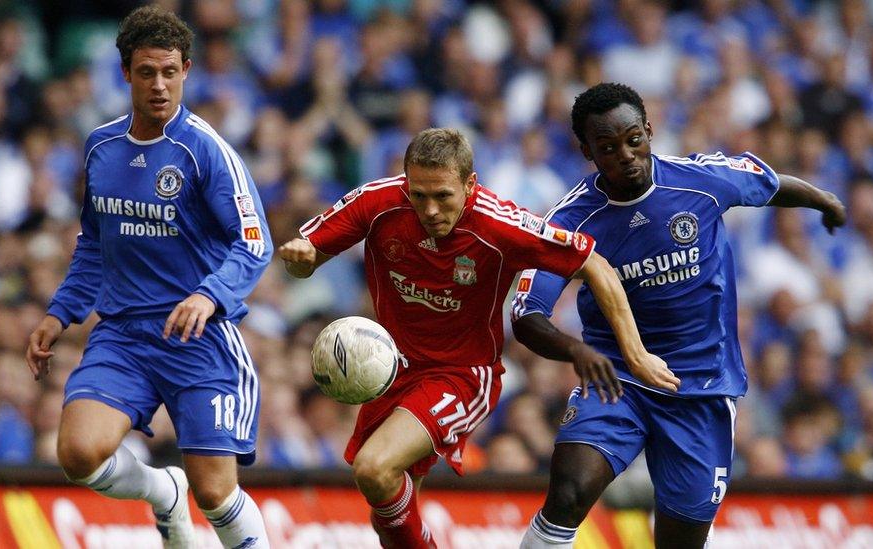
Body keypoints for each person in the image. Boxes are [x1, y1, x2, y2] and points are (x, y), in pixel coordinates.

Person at [278, 127, 678, 548]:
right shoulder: (377, 202)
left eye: (443, 197)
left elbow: (594, 264)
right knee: (387, 507)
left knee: (374, 468)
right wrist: (302, 259)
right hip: (389, 370)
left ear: (470, 184)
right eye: (418, 195)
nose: (429, 210)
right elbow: (305, 257)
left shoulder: (499, 223)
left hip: (461, 375)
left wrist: (636, 355)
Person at [513, 82, 847, 548]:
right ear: (587, 151)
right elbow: (527, 314)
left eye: (634, 139)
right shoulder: (570, 222)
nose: (626, 155)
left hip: (701, 388)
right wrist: (580, 353)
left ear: (649, 131)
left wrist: (823, 200)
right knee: (568, 493)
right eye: (608, 148)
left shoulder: (703, 181)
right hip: (617, 378)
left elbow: (769, 184)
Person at [24, 7, 271, 548]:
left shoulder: (205, 150)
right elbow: (95, 242)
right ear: (125, 74)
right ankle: (164, 494)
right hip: (123, 335)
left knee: (216, 494)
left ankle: (193, 499)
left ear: (186, 69)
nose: (159, 86)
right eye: (145, 73)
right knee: (77, 454)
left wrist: (210, 295)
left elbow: (255, 242)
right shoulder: (100, 147)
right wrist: (60, 312)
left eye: (169, 72)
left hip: (198, 340)